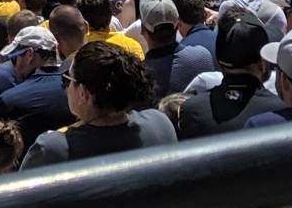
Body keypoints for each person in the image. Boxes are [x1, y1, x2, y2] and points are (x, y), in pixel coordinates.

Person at [20, 42, 175, 166]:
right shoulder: (160, 124)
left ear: (84, 94)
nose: (65, 87)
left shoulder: (51, 149)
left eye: (68, 79)